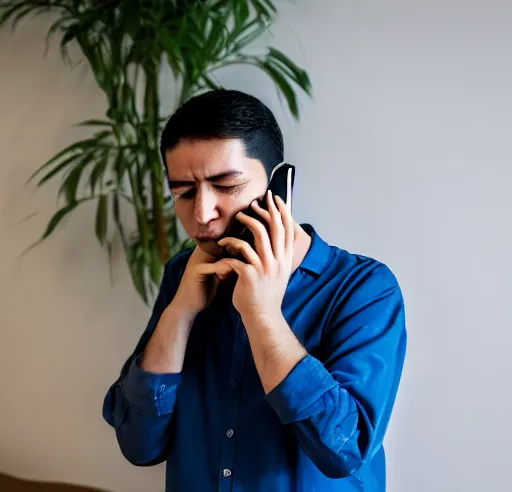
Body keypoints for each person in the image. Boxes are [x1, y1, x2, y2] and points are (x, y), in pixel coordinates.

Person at [102, 90, 407, 492]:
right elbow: (139, 443)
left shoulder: (365, 289)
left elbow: (343, 450)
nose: (202, 214)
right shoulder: (184, 276)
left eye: (225, 185)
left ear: (278, 185)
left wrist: (261, 315)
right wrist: (180, 313)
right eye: (184, 192)